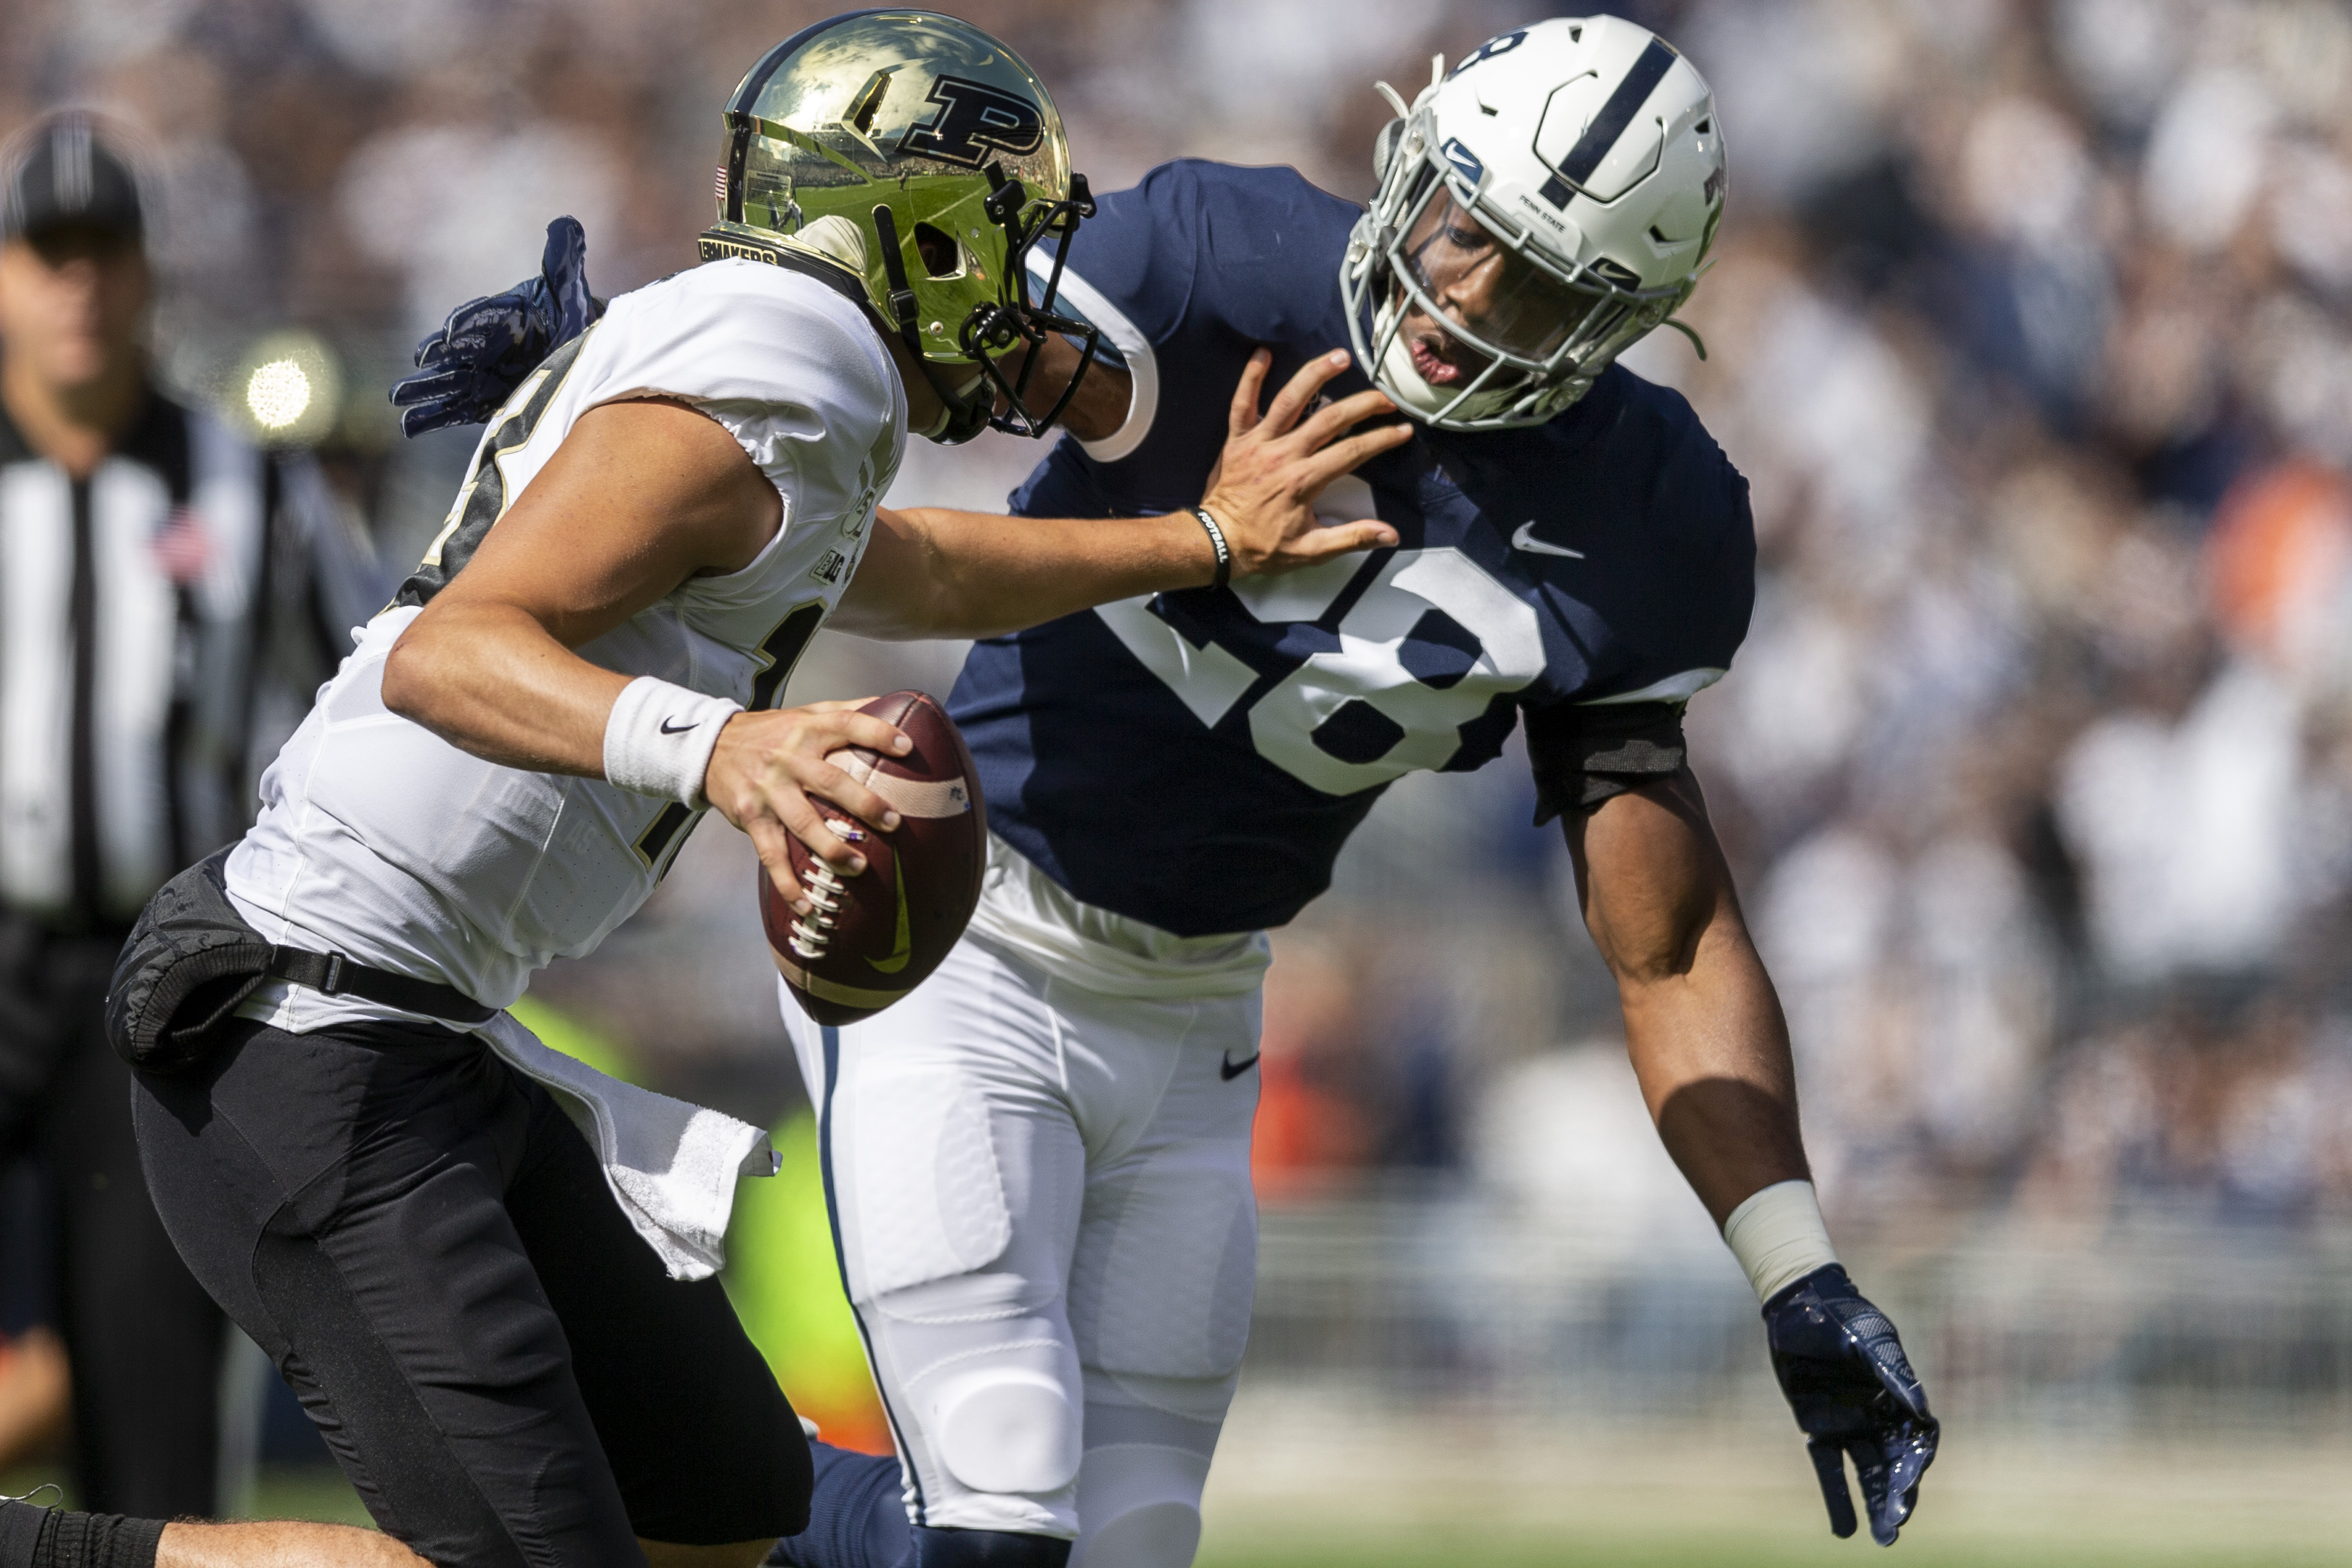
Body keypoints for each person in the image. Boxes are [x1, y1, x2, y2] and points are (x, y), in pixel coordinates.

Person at [377, 17, 1939, 1567]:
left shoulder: (1652, 521)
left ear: (1623, 322)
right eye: (1465, 230)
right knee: (996, 1511)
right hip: (958, 932)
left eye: (1532, 284)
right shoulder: (1219, 272)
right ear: (1415, 167)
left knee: (1118, 1545)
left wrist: (1795, 1269)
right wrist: (650, 358)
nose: (1463, 298)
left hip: (1198, 1013)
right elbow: (891, 300)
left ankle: (691, 1499)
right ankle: (689, 1488)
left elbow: (1662, 941)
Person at [1, 14, 1405, 1568]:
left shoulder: (797, 363)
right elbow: (449, 657)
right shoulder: (793, 350)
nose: (1016, 292)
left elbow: (915, 564)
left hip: (421, 1030)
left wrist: (1195, 539)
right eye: (999, 240)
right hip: (301, 1034)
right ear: (911, 230)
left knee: (742, 1497)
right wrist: (725, 749)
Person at [0, 110, 376, 1523]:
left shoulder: (253, 481)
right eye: (49, 254)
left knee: (147, 1383)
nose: (79, 285)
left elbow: (369, 694)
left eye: (106, 252)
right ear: (5, 277)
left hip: (154, 981)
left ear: (149, 273)